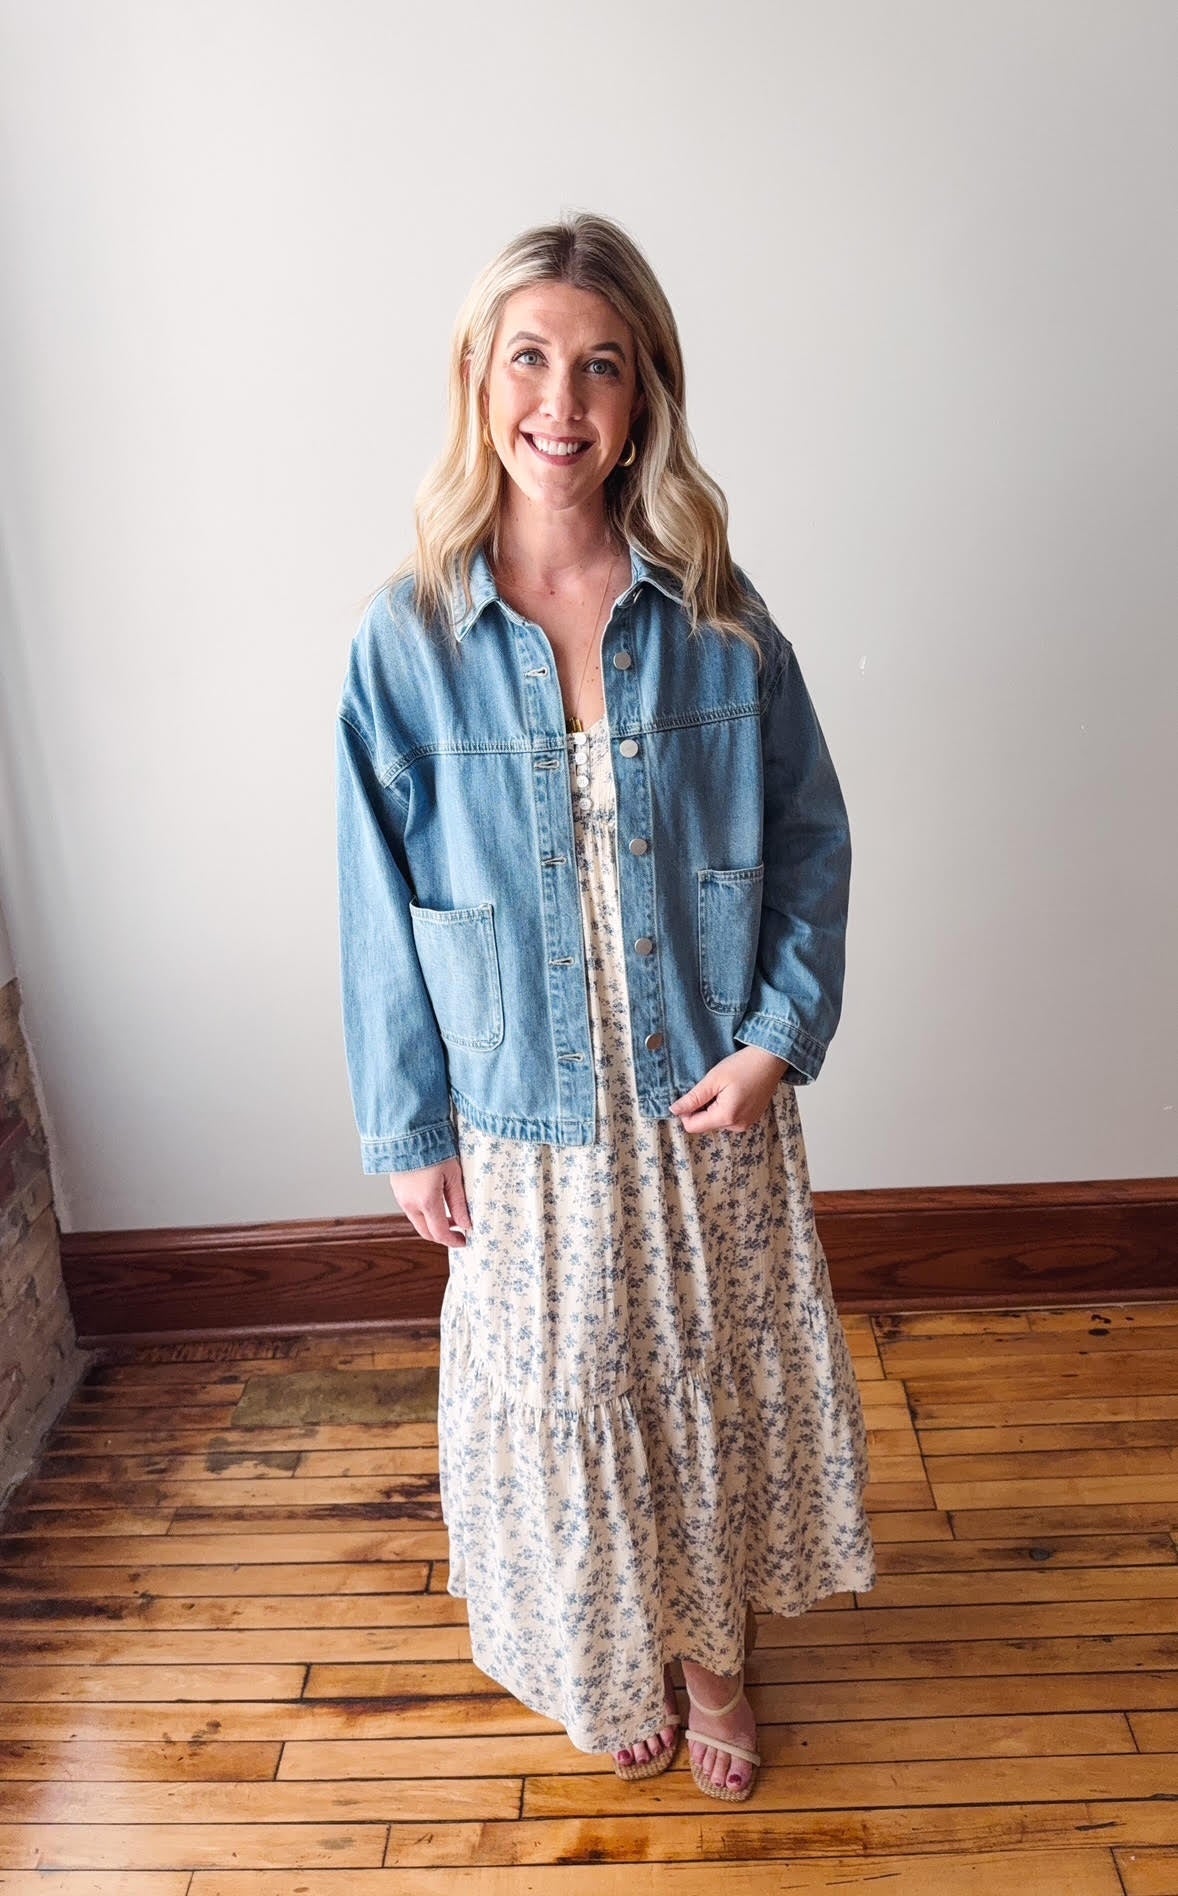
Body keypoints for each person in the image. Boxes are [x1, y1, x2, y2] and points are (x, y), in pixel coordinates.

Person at [335, 212, 876, 1802]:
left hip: (703, 1097)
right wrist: (409, 1129)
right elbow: (376, 902)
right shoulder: (409, 637)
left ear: (643, 399)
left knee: (707, 1378)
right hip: (526, 1121)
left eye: (600, 366)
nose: (558, 400)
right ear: (477, 379)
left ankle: (714, 1651)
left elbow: (810, 837)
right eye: (529, 357)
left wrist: (781, 1032)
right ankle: (607, 1633)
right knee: (568, 1397)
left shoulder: (711, 606)